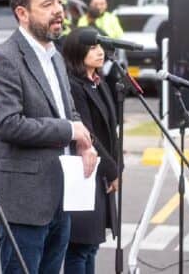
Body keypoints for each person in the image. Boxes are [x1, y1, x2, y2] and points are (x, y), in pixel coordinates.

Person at [0, 0, 97, 274]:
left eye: (58, 1)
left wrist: (82, 141)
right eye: (47, 4)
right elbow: (8, 124)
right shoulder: (5, 60)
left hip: (60, 197)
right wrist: (68, 130)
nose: (58, 10)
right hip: (24, 202)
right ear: (22, 13)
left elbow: (68, 111)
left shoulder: (55, 56)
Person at [61, 27, 120, 274]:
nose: (100, 52)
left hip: (102, 171)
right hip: (85, 171)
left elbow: (111, 129)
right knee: (80, 246)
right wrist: (112, 168)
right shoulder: (74, 86)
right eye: (93, 47)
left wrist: (117, 166)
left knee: (92, 246)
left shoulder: (99, 83)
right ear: (77, 51)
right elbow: (87, 134)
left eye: (101, 46)